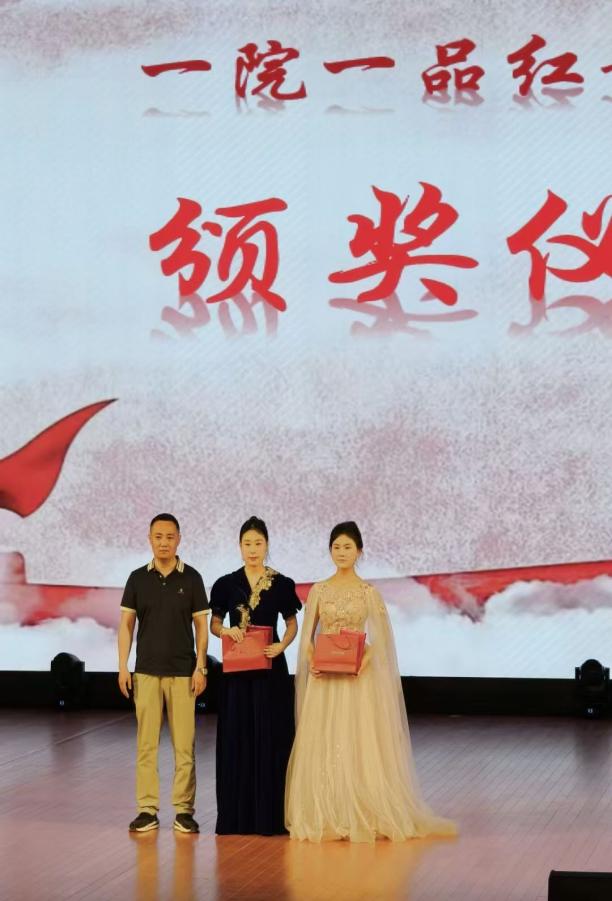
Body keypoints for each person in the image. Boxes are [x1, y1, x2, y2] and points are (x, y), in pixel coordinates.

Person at [285, 521, 456, 843]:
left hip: (356, 678)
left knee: (356, 738)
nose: (341, 553)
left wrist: (361, 663)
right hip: (325, 678)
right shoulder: (319, 590)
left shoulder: (368, 593)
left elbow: (382, 638)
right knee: (326, 738)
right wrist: (313, 661)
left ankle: (362, 809)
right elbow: (307, 638)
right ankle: (329, 811)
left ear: (359, 551)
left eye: (347, 547)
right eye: (336, 547)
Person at [118, 513, 210, 834]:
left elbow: (201, 628)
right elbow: (126, 626)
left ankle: (184, 810)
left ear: (179, 539)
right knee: (146, 745)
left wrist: (201, 666)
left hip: (183, 673)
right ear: (149, 539)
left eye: (170, 537)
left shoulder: (192, 578)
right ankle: (147, 809)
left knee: (185, 746)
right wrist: (122, 666)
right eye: (158, 537)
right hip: (146, 672)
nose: (164, 543)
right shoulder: (137, 579)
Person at [210, 516, 301, 835]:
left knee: (271, 737)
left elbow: (292, 623)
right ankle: (237, 817)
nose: (252, 549)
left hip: (270, 669)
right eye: (247, 544)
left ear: (267, 545)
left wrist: (282, 646)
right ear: (239, 546)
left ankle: (270, 817)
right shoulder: (225, 583)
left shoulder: (282, 583)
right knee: (237, 737)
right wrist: (226, 631)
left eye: (258, 543)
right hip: (237, 672)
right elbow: (214, 624)